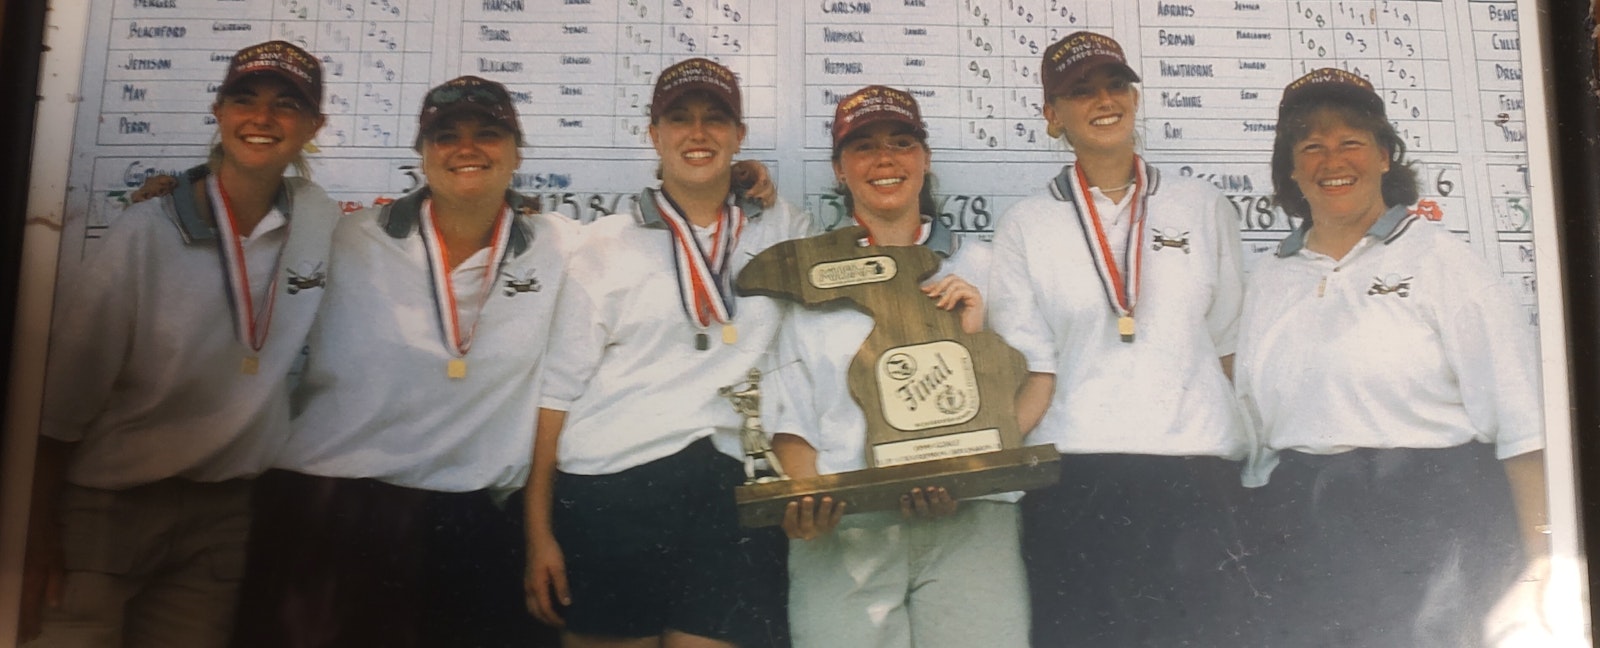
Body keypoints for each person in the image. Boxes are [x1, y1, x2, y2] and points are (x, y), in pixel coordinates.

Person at [230, 75, 577, 648]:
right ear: (421, 153)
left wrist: (739, 181)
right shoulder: (343, 236)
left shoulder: (560, 245)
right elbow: (240, 231)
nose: (466, 148)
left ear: (518, 152)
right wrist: (172, 190)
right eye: (445, 136)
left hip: (475, 515)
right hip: (336, 507)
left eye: (487, 133)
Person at [21, 41, 337, 647]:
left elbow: (408, 230)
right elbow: (58, 407)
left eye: (287, 105)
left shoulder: (319, 218)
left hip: (222, 518)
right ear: (218, 111)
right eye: (245, 100)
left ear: (314, 125)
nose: (263, 119)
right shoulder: (147, 228)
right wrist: (32, 544)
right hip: (106, 511)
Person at [1233, 67, 1548, 647]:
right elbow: (1253, 426)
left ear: (1383, 156)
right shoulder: (1269, 281)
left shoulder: (1447, 266)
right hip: (1304, 525)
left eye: (1351, 142)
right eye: (1312, 147)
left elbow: (1525, 433)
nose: (1334, 161)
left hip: (1434, 525)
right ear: (1292, 169)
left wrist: (1542, 567)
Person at [524, 57, 813, 648]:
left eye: (716, 119)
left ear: (739, 136)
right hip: (614, 488)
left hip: (732, 486)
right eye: (679, 119)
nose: (698, 133)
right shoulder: (603, 243)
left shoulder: (783, 228)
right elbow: (555, 397)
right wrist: (538, 534)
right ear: (654, 136)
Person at [986, 31, 1254, 646]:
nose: (1103, 100)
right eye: (1080, 92)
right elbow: (1030, 366)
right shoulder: (1026, 224)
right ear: (1053, 116)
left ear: (1134, 97)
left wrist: (1256, 455)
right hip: (1074, 475)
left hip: (1196, 467)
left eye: (1114, 85)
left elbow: (1231, 344)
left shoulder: (1202, 205)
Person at [756, 84, 1026, 648]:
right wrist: (807, 498)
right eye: (864, 147)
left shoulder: (986, 266)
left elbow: (1032, 382)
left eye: (901, 143)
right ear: (839, 169)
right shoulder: (810, 275)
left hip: (972, 523)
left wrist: (971, 463)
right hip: (847, 531)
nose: (885, 159)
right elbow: (790, 413)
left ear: (925, 160)